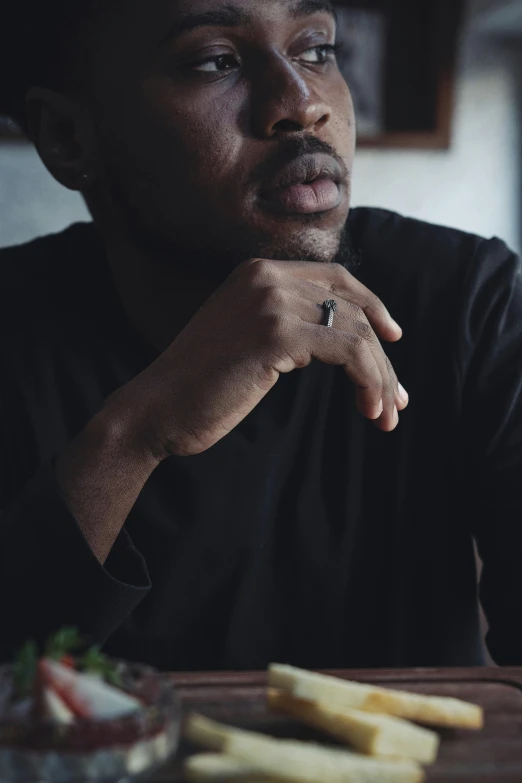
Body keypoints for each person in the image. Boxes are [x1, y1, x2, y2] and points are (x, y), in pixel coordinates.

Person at [0, 0, 520, 672]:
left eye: (316, 50)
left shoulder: (466, 297)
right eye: (215, 61)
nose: (302, 103)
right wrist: (136, 432)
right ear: (69, 137)